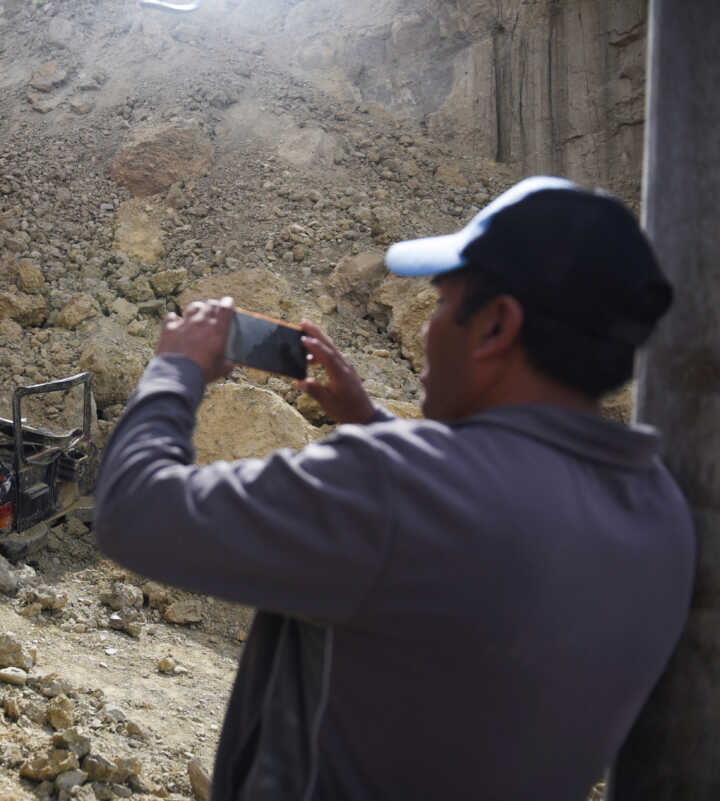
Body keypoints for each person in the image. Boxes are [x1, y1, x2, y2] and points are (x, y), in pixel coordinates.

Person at [94, 176, 695, 801]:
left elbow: (134, 510)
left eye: (439, 302)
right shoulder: (661, 510)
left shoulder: (394, 485)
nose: (430, 326)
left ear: (495, 326)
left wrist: (176, 368)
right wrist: (373, 421)